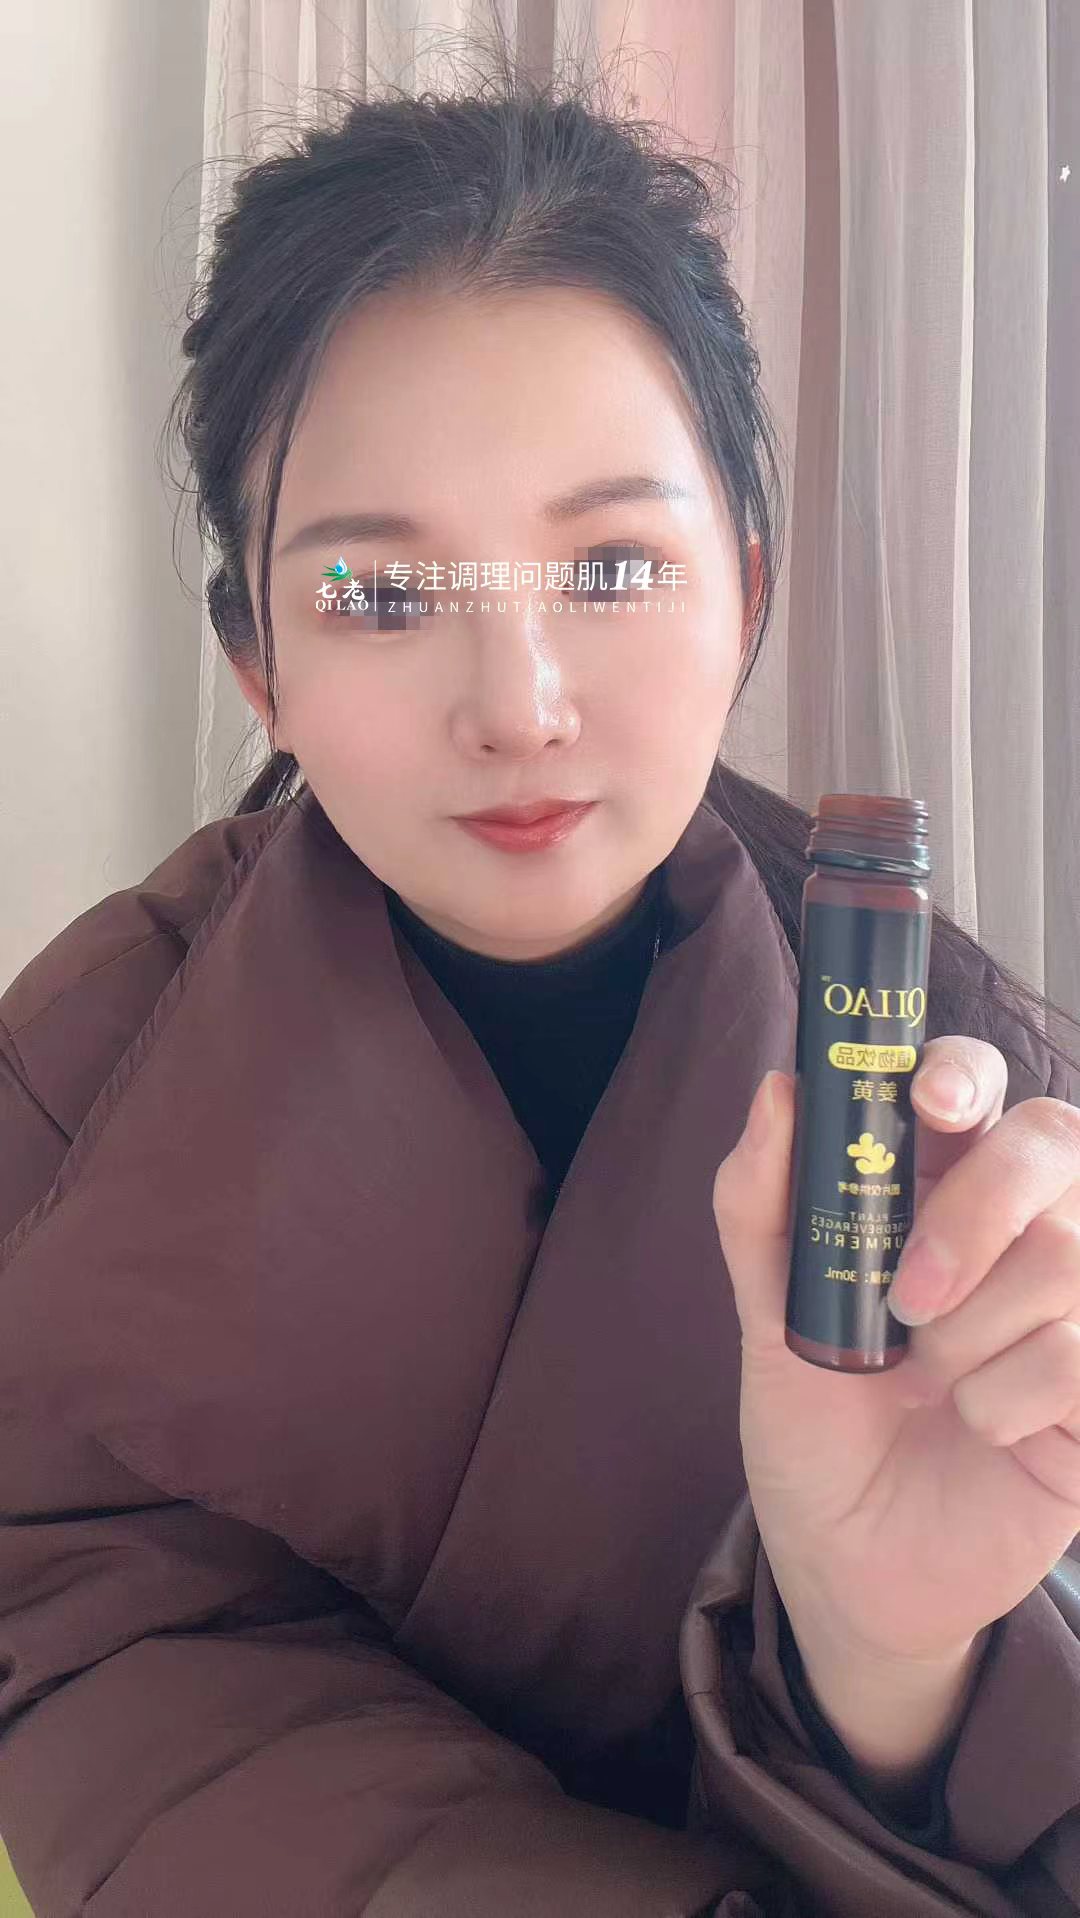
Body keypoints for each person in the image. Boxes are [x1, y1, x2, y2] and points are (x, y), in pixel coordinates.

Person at [0, 40, 1078, 1918]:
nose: (519, 706)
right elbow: (107, 1672)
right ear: (258, 663)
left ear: (747, 591)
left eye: (613, 568)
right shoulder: (71, 1084)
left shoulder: (959, 1080)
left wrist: (883, 1652)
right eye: (381, 594)